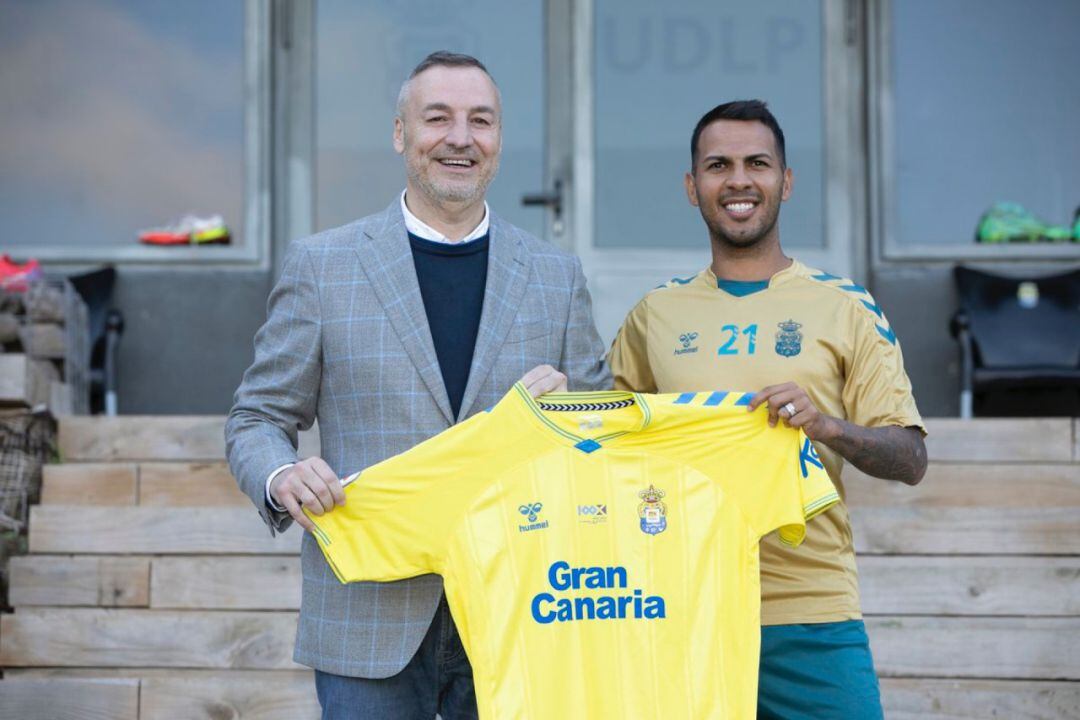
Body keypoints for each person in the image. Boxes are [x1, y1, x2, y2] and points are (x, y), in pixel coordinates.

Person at [226, 51, 610, 719]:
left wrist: (565, 420)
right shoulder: (323, 266)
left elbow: (606, 428)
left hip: (523, 609)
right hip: (367, 610)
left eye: (480, 121)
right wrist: (281, 474)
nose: (460, 138)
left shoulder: (556, 276)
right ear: (401, 133)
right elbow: (257, 416)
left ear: (498, 139)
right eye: (438, 118)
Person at [607, 99, 927, 719]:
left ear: (786, 180)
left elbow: (910, 458)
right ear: (691, 186)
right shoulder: (655, 315)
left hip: (809, 610)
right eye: (717, 165)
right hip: (680, 608)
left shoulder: (846, 307)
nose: (738, 180)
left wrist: (826, 425)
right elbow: (603, 440)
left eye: (757, 163)